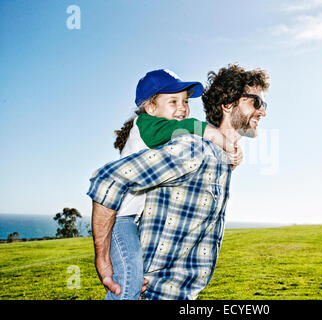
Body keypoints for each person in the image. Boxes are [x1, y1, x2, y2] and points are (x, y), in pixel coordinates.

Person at [88, 64, 270, 300]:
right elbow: (107, 180)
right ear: (228, 104)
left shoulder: (216, 159)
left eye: (185, 102)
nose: (263, 111)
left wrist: (232, 151)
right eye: (256, 102)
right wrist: (102, 259)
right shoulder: (194, 149)